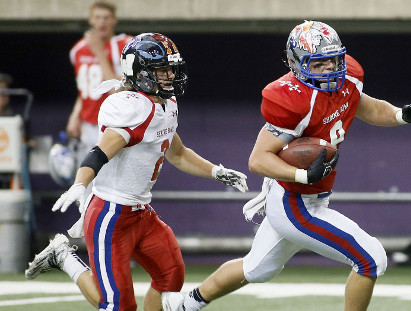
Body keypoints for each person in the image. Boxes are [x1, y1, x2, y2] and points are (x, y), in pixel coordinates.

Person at [162, 20, 411, 311]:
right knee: (370, 258)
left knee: (257, 269)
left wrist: (403, 115)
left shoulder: (348, 77)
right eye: (319, 64)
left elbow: (366, 106)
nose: (329, 69)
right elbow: (258, 159)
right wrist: (302, 173)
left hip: (308, 196)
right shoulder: (291, 99)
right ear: (296, 63)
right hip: (294, 203)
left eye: (333, 61)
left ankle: (183, 304)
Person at [25, 33, 248, 311]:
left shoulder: (166, 104)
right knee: (118, 306)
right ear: (140, 73)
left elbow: (177, 153)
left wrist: (217, 171)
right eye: (162, 69)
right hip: (110, 215)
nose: (170, 75)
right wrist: (80, 184)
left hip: (140, 213)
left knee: (171, 275)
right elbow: (98, 153)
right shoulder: (133, 108)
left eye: (171, 68)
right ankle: (64, 257)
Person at [67, 0, 132, 155]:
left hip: (115, 123)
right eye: (97, 17)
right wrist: (75, 115)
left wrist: (100, 54)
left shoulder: (125, 45)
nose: (101, 22)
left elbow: (119, 92)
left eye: (106, 17)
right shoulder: (78, 49)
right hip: (88, 124)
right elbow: (86, 88)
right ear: (90, 20)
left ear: (114, 20)